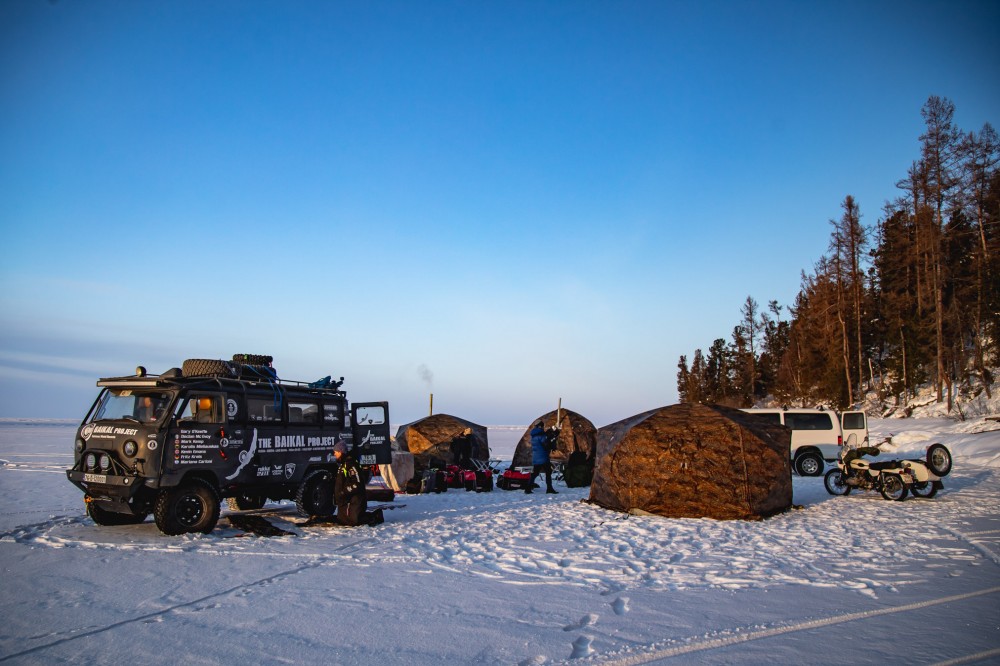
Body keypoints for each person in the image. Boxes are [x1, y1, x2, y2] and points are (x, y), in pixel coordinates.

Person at [332, 441, 384, 526]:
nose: (334, 454)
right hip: (345, 500)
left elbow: (357, 483)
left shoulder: (351, 464)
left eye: (335, 452)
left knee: (354, 521)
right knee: (343, 520)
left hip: (354, 498)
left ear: (340, 452)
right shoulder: (343, 465)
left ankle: (376, 515)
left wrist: (344, 491)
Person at [527, 420, 558, 495]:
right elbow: (546, 445)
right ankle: (549, 488)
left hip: (536, 457)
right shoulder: (541, 436)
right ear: (541, 426)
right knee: (548, 472)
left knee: (535, 473)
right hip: (543, 457)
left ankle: (528, 488)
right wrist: (552, 440)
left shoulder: (534, 436)